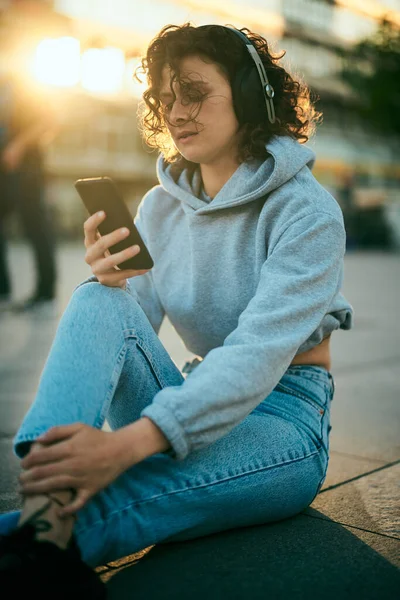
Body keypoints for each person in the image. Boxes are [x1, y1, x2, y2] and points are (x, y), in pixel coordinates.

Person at [0, 22, 354, 596]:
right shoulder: (160, 208)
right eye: (165, 99)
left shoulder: (307, 211)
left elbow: (256, 355)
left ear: (249, 94)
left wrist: (122, 448)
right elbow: (121, 329)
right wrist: (111, 281)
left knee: (125, 493)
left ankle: (41, 540)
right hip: (187, 399)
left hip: (283, 420)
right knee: (96, 295)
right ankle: (47, 505)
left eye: (194, 92)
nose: (176, 111)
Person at [0, 1, 59, 314]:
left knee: (35, 225)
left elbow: (50, 121)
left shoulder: (29, 77)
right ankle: (3, 289)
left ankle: (45, 290)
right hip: (5, 166)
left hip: (28, 166)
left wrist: (18, 146)